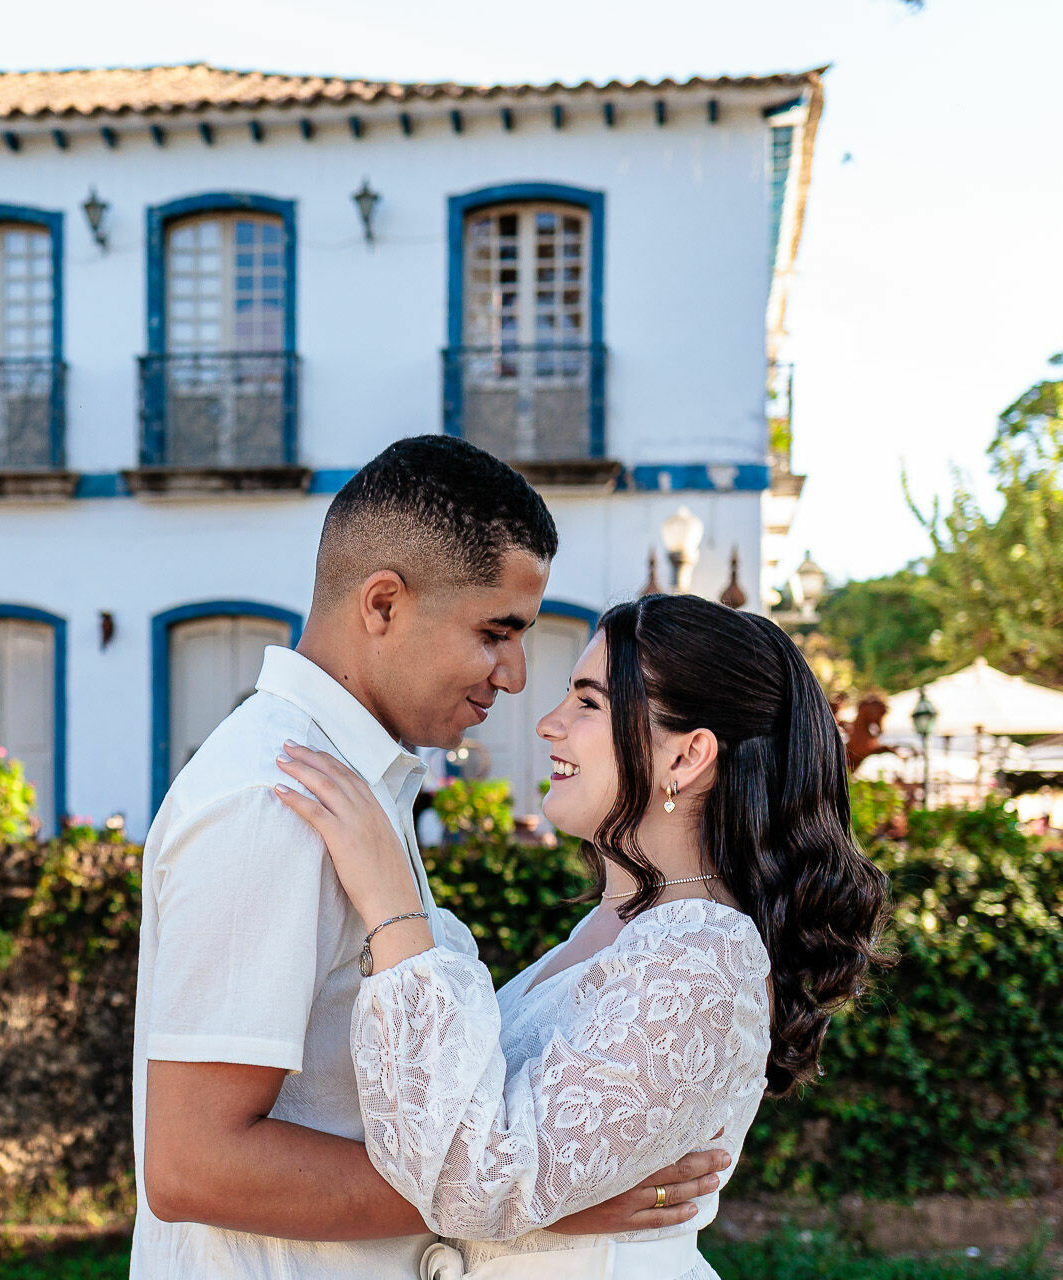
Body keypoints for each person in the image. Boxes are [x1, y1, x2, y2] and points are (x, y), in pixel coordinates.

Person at [133, 437, 730, 1279]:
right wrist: (542, 1199)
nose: (517, 677)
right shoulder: (271, 797)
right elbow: (195, 1163)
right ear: (383, 605)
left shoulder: (347, 784)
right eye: (496, 632)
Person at [272, 592, 890, 1279]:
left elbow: (477, 1181)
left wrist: (392, 908)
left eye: (588, 703)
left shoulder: (703, 955)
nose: (547, 724)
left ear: (687, 757)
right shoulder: (628, 924)